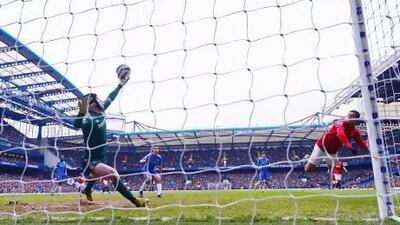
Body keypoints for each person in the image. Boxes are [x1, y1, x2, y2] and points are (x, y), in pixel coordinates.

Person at [73, 67, 145, 207]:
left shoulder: (102, 110)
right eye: (98, 98)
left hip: (102, 155)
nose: (101, 99)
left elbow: (111, 97)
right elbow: (76, 124)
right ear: (93, 104)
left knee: (95, 177)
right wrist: (81, 111)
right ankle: (136, 201)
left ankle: (87, 190)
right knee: (113, 174)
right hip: (91, 160)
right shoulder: (88, 120)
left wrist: (120, 84)